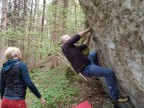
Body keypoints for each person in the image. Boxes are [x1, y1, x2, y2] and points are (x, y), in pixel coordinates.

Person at [61, 27, 129, 103]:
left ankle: (96, 73)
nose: (70, 37)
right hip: (87, 68)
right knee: (109, 73)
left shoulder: (72, 47)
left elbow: (84, 45)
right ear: (64, 41)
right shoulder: (65, 47)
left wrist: (88, 36)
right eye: (68, 37)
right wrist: (87, 30)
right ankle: (116, 97)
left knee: (94, 53)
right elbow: (75, 37)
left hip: (88, 61)